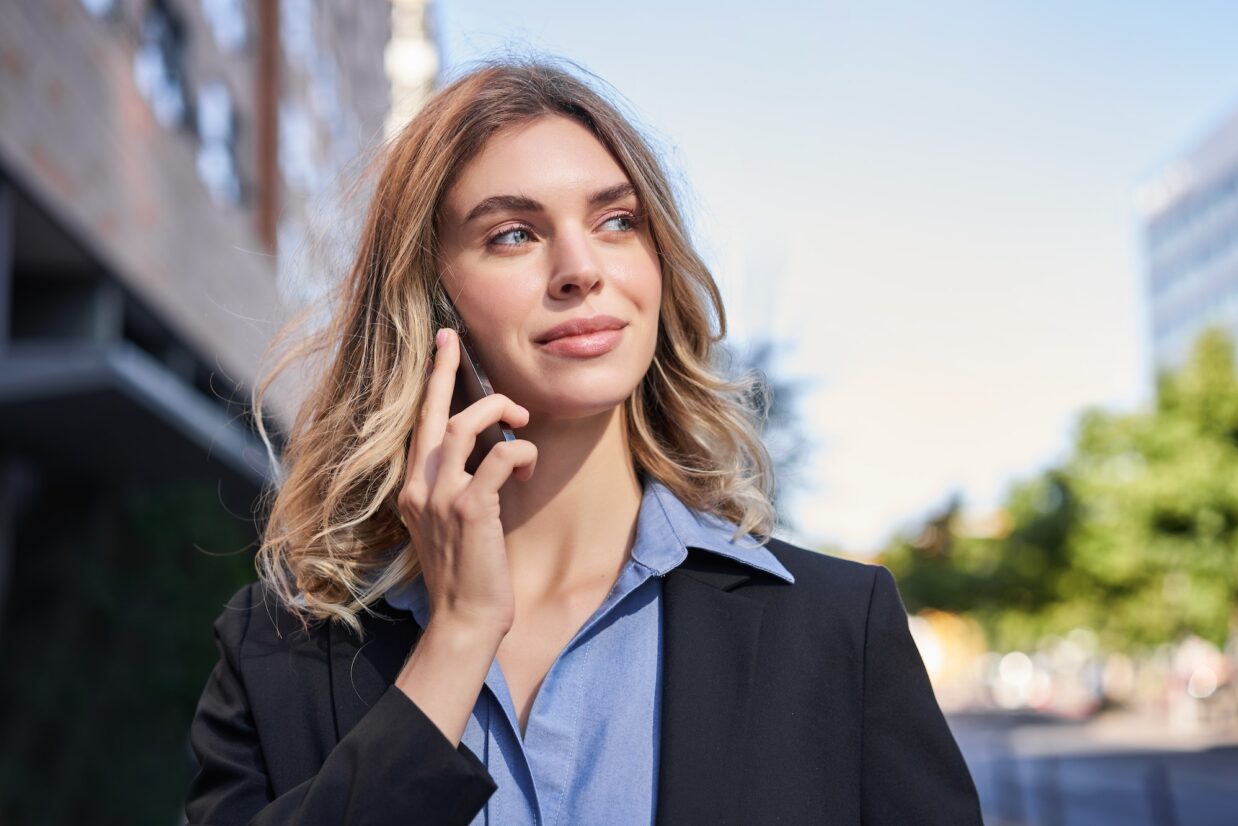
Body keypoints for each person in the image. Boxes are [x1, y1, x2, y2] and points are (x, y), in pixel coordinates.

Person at [183, 58, 983, 825]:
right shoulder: (275, 653)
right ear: (429, 298)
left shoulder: (837, 629)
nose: (580, 268)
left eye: (616, 221)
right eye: (513, 235)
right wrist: (457, 641)